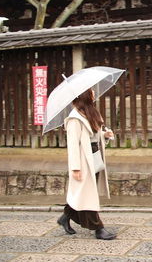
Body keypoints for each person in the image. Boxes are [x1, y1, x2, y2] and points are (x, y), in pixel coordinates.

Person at [56, 88, 116, 240]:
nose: (94, 93)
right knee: (88, 195)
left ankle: (65, 217)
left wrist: (105, 135)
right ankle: (99, 228)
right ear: (84, 95)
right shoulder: (74, 119)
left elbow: (93, 135)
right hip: (83, 161)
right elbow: (73, 145)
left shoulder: (90, 113)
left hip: (94, 157)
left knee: (85, 192)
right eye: (91, 92)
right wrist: (75, 167)